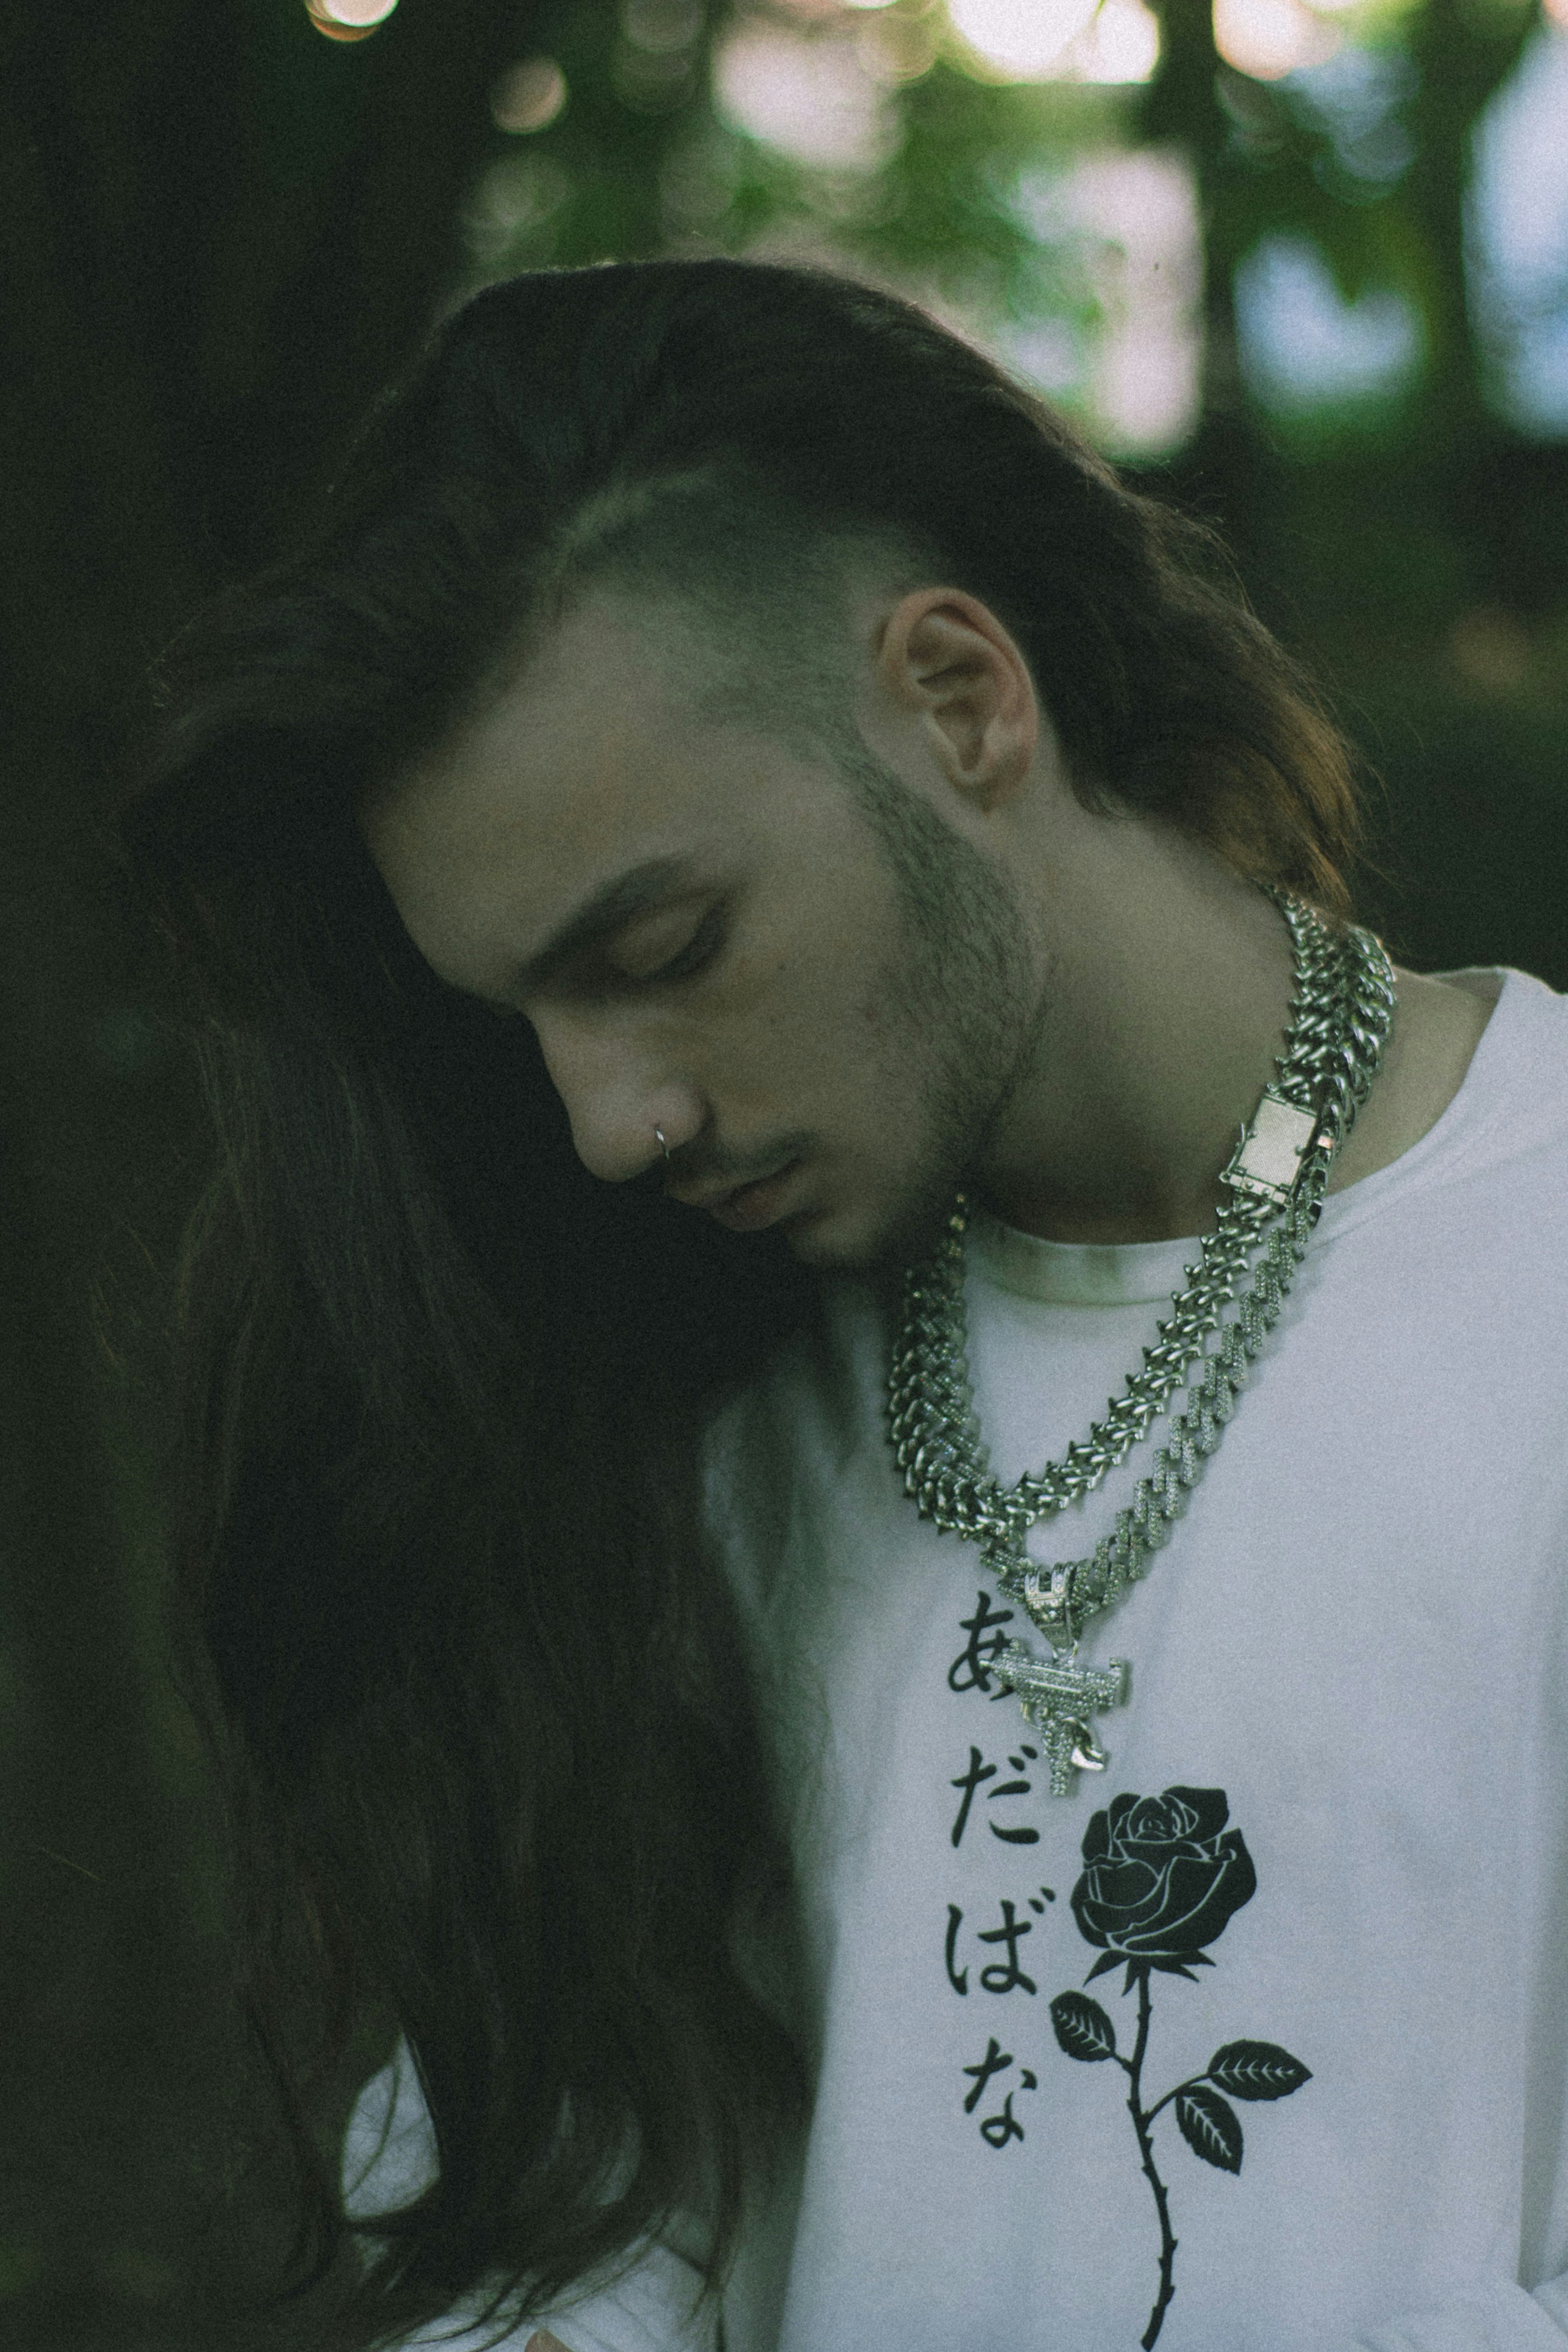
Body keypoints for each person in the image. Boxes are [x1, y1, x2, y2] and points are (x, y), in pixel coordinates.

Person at [118, 258, 1568, 2352]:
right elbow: (575, 2243)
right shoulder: (659, 1383)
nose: (610, 1122)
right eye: (522, 1015)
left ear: (962, 700)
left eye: (666, 944)